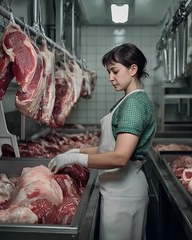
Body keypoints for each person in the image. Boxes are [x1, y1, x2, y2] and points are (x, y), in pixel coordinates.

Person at [48, 43, 156, 240]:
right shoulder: (129, 100)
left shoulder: (134, 106)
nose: (110, 78)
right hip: (118, 190)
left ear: (133, 69)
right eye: (108, 72)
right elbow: (107, 148)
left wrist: (78, 160)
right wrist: (76, 152)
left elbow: (120, 157)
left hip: (124, 195)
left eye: (115, 71)